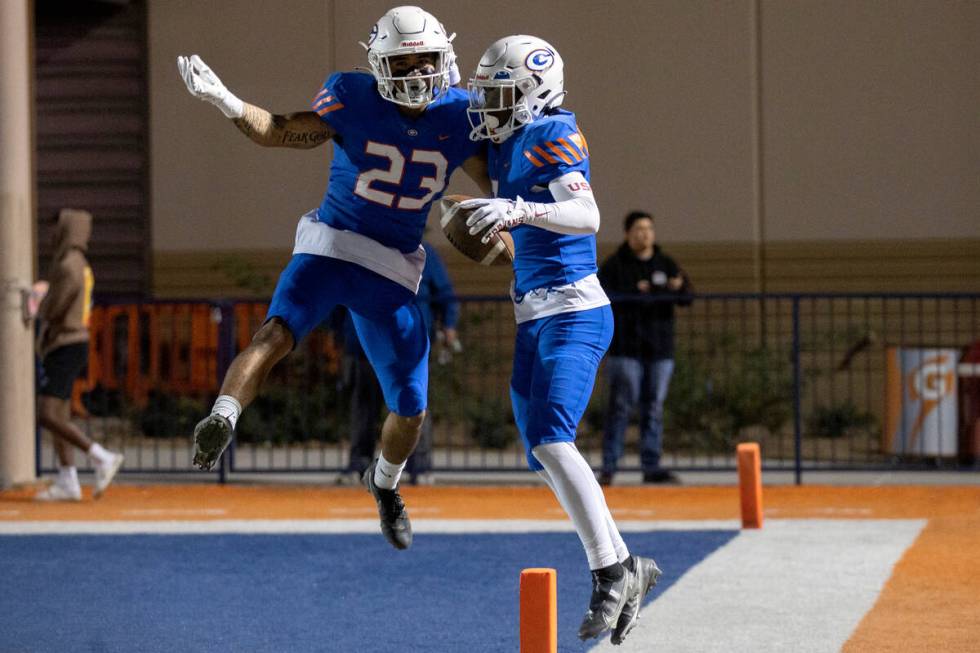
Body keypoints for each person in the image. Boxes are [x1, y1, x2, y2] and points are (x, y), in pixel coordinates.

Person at [177, 5, 489, 550]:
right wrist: (228, 102)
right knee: (275, 332)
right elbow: (281, 130)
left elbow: (496, 183)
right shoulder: (352, 96)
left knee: (411, 408)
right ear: (379, 65)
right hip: (332, 242)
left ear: (446, 59)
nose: (417, 74)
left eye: (425, 62)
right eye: (404, 62)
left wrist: (519, 212)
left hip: (392, 265)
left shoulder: (461, 114)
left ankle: (385, 485)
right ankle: (223, 416)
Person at [461, 36, 660, 644]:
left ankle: (608, 573)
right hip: (532, 317)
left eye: (499, 93)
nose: (487, 105)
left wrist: (518, 210)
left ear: (533, 91)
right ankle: (628, 566)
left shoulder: (553, 134)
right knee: (539, 450)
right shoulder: (506, 141)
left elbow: (587, 216)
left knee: (551, 439)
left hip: (575, 311)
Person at [335, 238, 459, 486]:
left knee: (414, 406)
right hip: (364, 344)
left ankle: (419, 466)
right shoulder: (358, 249)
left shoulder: (423, 251)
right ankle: (360, 463)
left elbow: (444, 295)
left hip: (407, 343)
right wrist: (340, 335)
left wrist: (449, 325)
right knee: (365, 406)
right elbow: (338, 296)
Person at [34, 209, 124, 501]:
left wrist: (38, 303)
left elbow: (54, 307)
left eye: (56, 228)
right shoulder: (81, 264)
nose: (52, 234)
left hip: (65, 342)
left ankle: (100, 456)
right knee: (58, 413)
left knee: (46, 414)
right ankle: (67, 478)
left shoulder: (67, 265)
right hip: (74, 342)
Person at [597, 211, 692, 486]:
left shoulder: (665, 262)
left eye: (649, 228)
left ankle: (651, 466)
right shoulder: (616, 266)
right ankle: (609, 466)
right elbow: (605, 297)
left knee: (654, 408)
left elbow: (686, 296)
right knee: (620, 407)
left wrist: (678, 286)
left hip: (660, 349)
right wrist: (636, 291)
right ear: (627, 233)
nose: (645, 233)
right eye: (638, 229)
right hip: (626, 348)